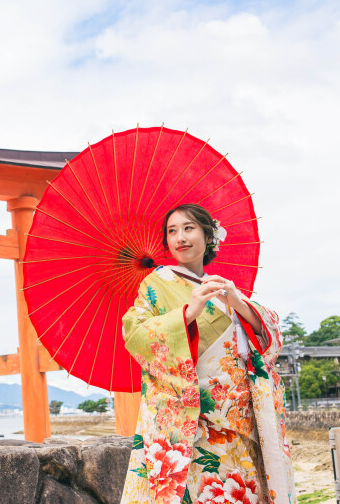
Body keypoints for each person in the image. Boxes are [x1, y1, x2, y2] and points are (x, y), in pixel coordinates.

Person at [120, 203, 294, 504]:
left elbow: (269, 339)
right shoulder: (155, 284)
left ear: (208, 235)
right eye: (172, 231)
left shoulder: (222, 287)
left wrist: (239, 304)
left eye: (189, 228)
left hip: (242, 421)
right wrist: (188, 312)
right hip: (197, 421)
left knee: (244, 493)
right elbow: (135, 334)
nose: (180, 238)